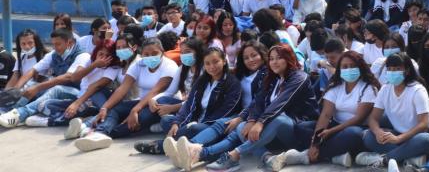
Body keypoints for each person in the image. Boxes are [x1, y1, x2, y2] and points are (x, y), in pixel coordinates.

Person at [177, 44, 318, 171]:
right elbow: (258, 101)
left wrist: (260, 122)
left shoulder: (299, 77)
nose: (274, 62)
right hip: (272, 131)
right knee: (241, 127)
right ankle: (268, 158)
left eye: (279, 58)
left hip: (298, 129)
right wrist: (251, 121)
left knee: (279, 119)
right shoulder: (272, 78)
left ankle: (232, 156)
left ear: (289, 58)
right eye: (272, 59)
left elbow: (280, 102)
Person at [268, 51, 380, 170]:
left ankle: (305, 156)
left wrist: (330, 132)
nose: (349, 69)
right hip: (335, 126)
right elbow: (326, 115)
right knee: (302, 127)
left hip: (356, 127)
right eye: (345, 67)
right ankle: (334, 156)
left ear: (360, 68)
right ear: (339, 69)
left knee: (353, 134)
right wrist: (315, 142)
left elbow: (359, 118)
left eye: (353, 66)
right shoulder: (336, 85)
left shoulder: (368, 87)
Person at [67, 38, 180, 151]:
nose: (150, 56)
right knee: (114, 109)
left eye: (154, 53)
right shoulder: (139, 64)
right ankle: (100, 133)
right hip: (141, 102)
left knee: (137, 118)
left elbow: (155, 91)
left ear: (162, 52)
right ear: (142, 54)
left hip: (161, 105)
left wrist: (134, 110)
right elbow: (123, 88)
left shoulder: (169, 65)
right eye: (146, 54)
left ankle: (105, 133)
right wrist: (105, 107)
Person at [356, 52, 429, 169]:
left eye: (397, 69)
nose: (393, 72)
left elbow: (423, 124)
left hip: (420, 135)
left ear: (407, 71)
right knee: (368, 136)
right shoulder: (385, 89)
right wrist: (378, 132)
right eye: (390, 69)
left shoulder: (417, 90)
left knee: (425, 140)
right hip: (398, 135)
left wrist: (399, 138)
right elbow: (373, 118)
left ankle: (384, 159)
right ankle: (409, 157)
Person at [0, 30, 87, 128]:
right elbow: (33, 70)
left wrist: (37, 87)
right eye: (53, 44)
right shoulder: (54, 54)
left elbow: (68, 77)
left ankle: (20, 115)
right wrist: (15, 90)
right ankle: (11, 110)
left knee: (54, 89)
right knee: (30, 86)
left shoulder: (82, 56)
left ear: (69, 43)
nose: (55, 48)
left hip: (78, 94)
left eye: (58, 44)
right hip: (58, 90)